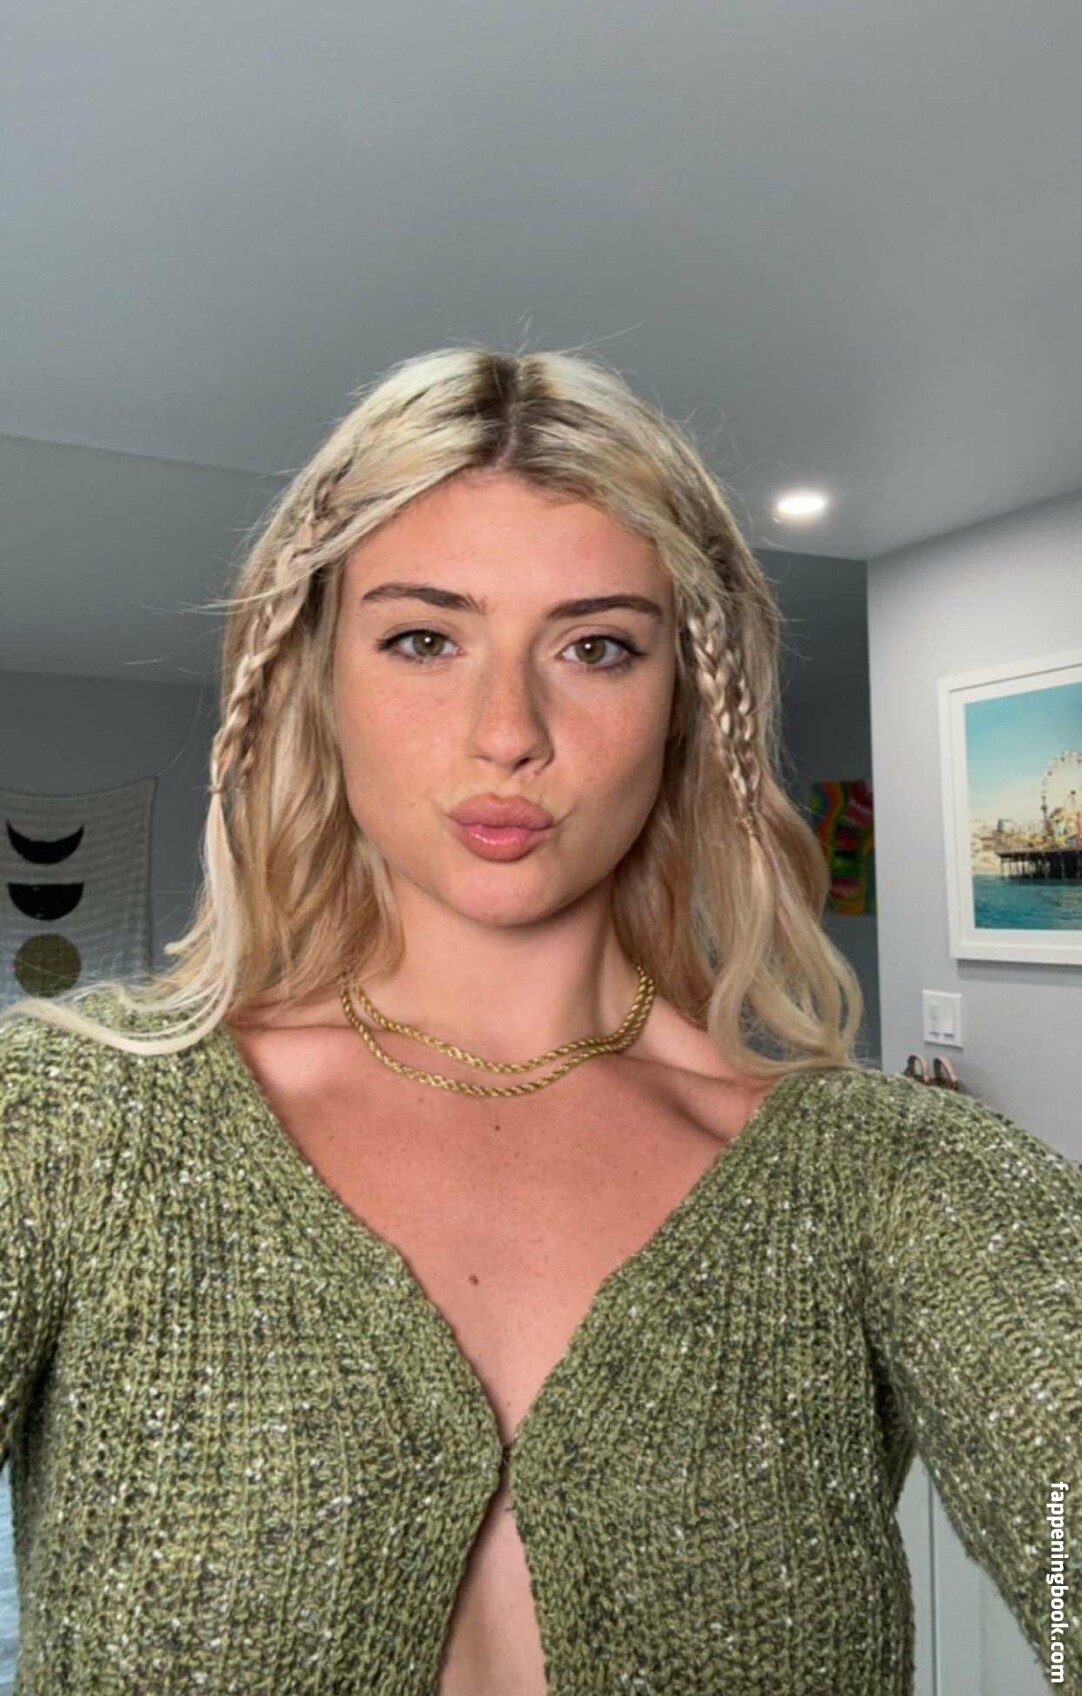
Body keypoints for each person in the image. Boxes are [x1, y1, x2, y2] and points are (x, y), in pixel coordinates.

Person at [0, 346, 1078, 1695]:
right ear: (317, 681)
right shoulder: (70, 1123)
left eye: (595, 647)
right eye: (423, 639)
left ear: (686, 704)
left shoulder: (892, 1179)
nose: (507, 730)